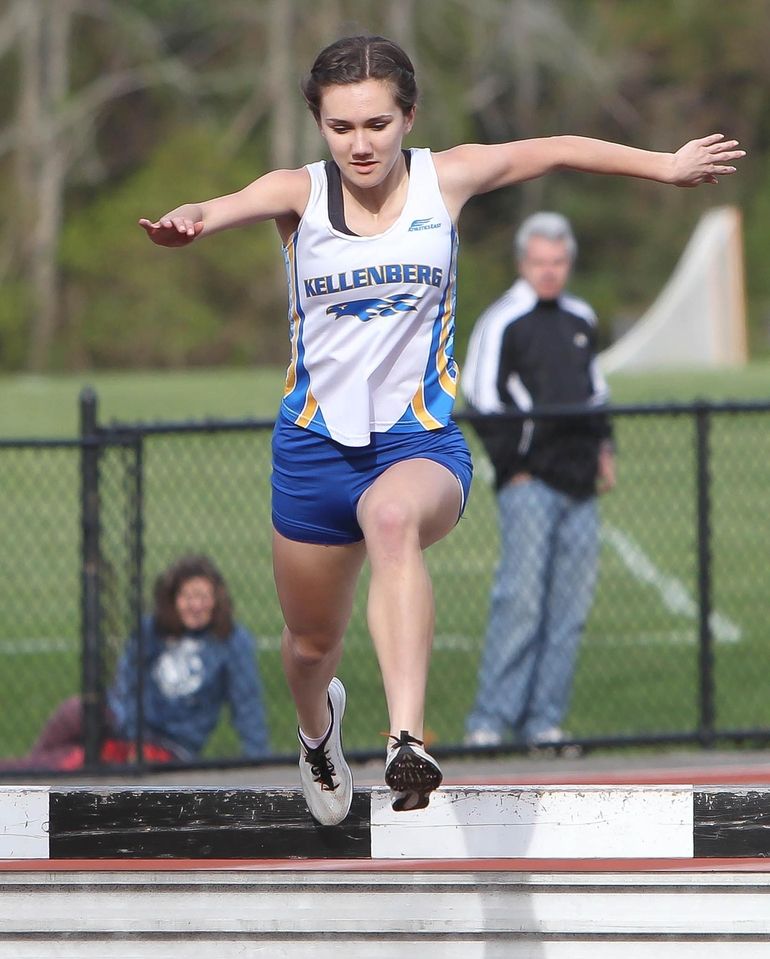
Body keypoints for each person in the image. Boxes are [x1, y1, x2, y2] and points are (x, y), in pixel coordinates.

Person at [138, 34, 742, 824]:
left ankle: (404, 739)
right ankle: (318, 733)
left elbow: (554, 149)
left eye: (379, 125)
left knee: (391, 520)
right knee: (309, 645)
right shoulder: (298, 192)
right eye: (342, 127)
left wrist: (663, 164)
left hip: (416, 443)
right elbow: (218, 208)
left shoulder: (444, 177)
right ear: (319, 125)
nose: (361, 144)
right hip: (315, 451)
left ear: (409, 116)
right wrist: (194, 219)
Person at [463, 211, 614, 750]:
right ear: (523, 263)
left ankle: (543, 722)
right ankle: (489, 723)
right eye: (539, 262)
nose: (549, 271)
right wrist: (514, 466)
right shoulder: (503, 320)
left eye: (558, 261)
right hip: (531, 484)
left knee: (568, 610)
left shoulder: (581, 317)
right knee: (520, 603)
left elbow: (596, 391)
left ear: (568, 263)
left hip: (580, 486)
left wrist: (605, 448)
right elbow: (479, 399)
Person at [0, 555, 269, 770]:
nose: (195, 605)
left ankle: (19, 774)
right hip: (127, 726)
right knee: (75, 711)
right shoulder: (152, 630)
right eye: (188, 597)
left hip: (170, 745)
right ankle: (27, 777)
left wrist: (259, 761)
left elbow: (247, 704)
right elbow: (126, 683)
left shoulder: (232, 641)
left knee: (75, 761)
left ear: (216, 600)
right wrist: (126, 730)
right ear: (173, 600)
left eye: (203, 597)